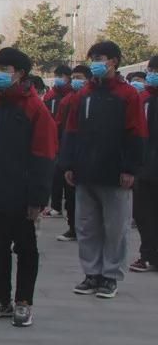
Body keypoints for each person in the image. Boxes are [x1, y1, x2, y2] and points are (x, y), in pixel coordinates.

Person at [0, 48, 57, 328]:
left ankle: (23, 302)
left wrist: (37, 199)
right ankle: (1, 299)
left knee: (26, 248)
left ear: (20, 73)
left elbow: (44, 156)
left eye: (4, 69)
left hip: (22, 194)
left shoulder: (35, 109)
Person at [61, 41, 148, 299]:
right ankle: (91, 273)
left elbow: (137, 133)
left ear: (114, 61)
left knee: (116, 228)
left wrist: (130, 168)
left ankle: (110, 276)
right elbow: (71, 130)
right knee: (87, 227)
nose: (95, 63)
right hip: (85, 171)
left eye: (100, 58)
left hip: (115, 173)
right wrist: (69, 163)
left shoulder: (127, 94)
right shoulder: (83, 95)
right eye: (93, 58)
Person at [54, 65, 92, 242]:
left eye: (80, 77)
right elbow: (60, 126)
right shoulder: (67, 101)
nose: (76, 81)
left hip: (89, 154)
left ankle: (89, 229)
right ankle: (73, 227)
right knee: (70, 194)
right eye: (74, 77)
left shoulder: (93, 97)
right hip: (70, 152)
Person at [130, 56, 158, 273]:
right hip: (145, 167)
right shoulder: (144, 99)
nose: (152, 74)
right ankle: (148, 254)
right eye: (151, 70)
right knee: (143, 214)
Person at [44, 65, 74, 219]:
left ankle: (70, 209)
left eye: (61, 76)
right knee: (55, 174)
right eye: (57, 75)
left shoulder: (73, 95)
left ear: (69, 77)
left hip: (68, 138)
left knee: (68, 176)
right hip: (54, 138)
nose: (58, 79)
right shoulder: (50, 95)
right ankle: (56, 206)